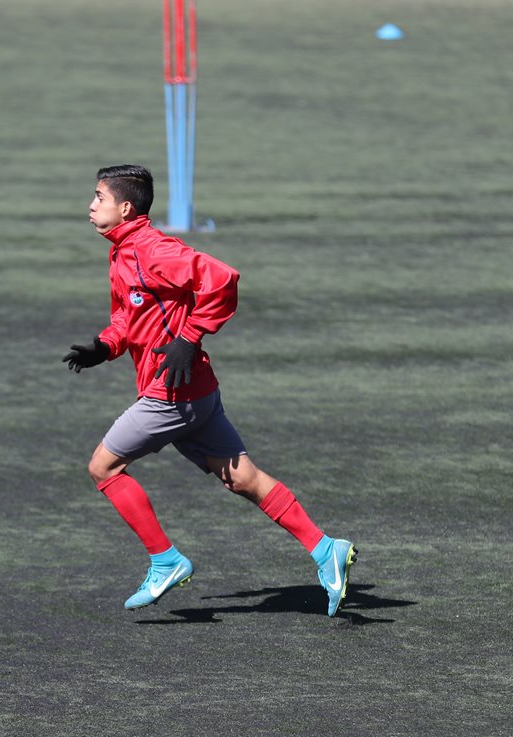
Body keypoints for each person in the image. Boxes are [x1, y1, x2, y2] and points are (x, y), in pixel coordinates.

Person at [62, 165, 357, 615]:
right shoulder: (123, 252)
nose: (91, 204)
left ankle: (165, 562)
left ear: (125, 208)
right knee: (243, 478)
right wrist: (103, 347)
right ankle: (325, 549)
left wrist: (189, 336)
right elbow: (128, 317)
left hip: (172, 394)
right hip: (195, 390)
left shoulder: (151, 249)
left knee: (104, 468)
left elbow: (222, 279)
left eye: (98, 196)